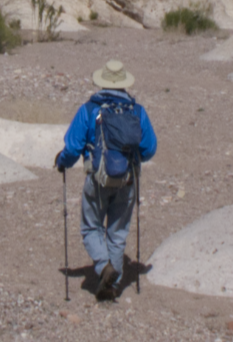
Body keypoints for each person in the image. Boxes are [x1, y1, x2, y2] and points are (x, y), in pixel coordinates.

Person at [55, 59, 158, 299]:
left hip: (98, 179)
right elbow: (150, 148)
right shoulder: (136, 110)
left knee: (91, 226)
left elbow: (73, 146)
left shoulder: (90, 110)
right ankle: (113, 283)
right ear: (124, 84)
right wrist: (132, 161)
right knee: (117, 232)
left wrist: (63, 163)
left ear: (102, 82)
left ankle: (103, 267)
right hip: (128, 179)